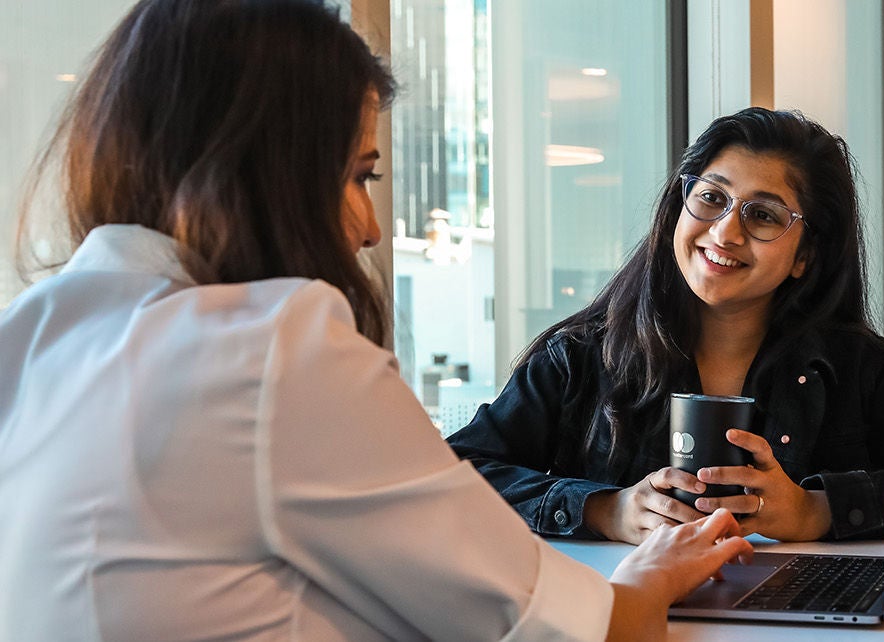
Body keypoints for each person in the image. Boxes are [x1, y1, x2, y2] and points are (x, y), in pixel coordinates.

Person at [0, 1, 750, 640]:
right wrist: (650, 570)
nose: (370, 229)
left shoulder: (35, 331)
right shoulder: (273, 349)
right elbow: (570, 628)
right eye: (360, 176)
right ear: (267, 175)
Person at [447, 107, 884, 546]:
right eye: (711, 198)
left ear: (805, 255)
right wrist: (603, 509)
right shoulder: (581, 357)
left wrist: (818, 510)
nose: (725, 233)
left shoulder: (861, 368)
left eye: (763, 215)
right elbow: (456, 474)